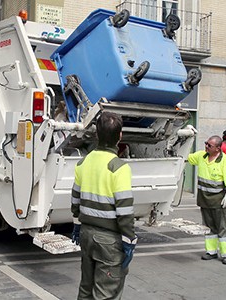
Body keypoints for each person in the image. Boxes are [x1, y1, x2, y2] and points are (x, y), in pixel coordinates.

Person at [71, 111, 137, 299]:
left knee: (85, 290)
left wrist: (77, 224)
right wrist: (129, 239)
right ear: (120, 136)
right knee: (106, 293)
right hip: (109, 240)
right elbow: (124, 211)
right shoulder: (119, 167)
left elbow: (75, 199)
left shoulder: (83, 163)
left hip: (86, 235)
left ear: (97, 134)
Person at [188, 135, 226, 265]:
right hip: (205, 201)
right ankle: (211, 252)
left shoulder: (224, 161)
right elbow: (186, 157)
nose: (206, 147)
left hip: (219, 202)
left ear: (218, 148)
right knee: (208, 228)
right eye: (206, 144)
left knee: (222, 228)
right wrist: (185, 138)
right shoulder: (201, 156)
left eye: (209, 145)